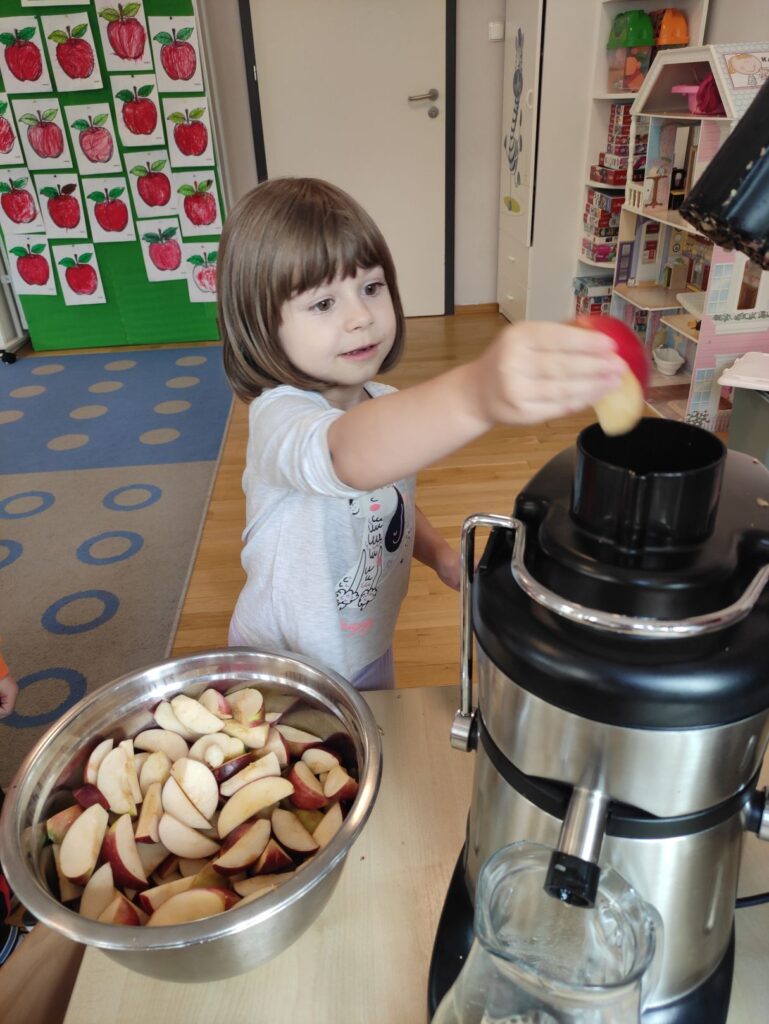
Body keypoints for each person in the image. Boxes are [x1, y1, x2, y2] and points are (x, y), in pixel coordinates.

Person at [218, 178, 625, 690]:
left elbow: (389, 503)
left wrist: (438, 554)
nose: (361, 317)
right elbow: (346, 456)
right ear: (260, 324)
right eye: (323, 304)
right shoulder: (278, 418)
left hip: (366, 649)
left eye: (371, 288)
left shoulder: (382, 404)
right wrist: (477, 392)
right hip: (281, 667)